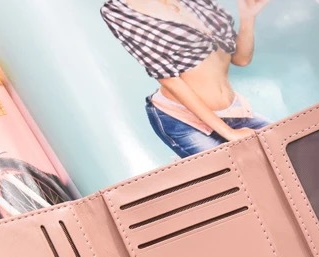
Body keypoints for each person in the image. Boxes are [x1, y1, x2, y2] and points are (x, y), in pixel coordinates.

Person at [101, 0, 271, 158]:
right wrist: (229, 133)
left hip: (233, 111)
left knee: (282, 147)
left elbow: (241, 59)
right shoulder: (118, 10)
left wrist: (248, 17)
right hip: (183, 120)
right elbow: (169, 79)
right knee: (235, 169)